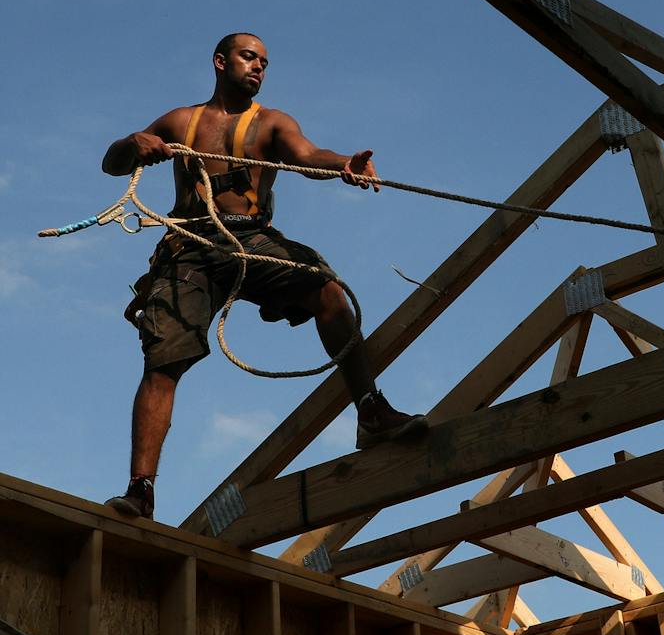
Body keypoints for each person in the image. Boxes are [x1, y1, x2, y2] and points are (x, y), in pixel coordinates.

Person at [101, 32, 426, 519]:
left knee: (327, 290)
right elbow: (112, 164)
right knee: (162, 361)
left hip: (251, 239)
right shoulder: (177, 122)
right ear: (219, 61)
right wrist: (133, 143)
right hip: (188, 246)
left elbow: (304, 154)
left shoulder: (271, 123)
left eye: (265, 62)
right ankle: (140, 491)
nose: (258, 67)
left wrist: (342, 164)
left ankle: (371, 411)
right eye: (248, 57)